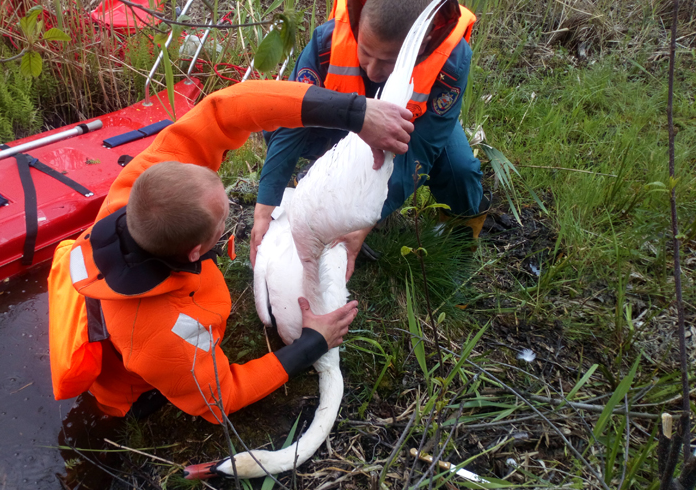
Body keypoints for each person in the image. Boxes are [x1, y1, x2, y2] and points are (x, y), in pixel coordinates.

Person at [47, 81, 415, 423]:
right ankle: (133, 405)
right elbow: (223, 396)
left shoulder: (144, 186)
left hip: (148, 295)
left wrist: (355, 112)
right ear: (195, 252)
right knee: (148, 398)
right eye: (223, 220)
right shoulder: (161, 332)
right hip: (136, 382)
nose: (229, 213)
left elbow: (227, 109)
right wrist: (311, 344)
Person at [251, 0, 486, 279]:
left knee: (459, 169)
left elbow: (421, 148)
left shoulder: (452, 60)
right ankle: (320, 184)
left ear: (422, 44)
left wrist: (365, 219)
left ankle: (458, 236)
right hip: (342, 121)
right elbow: (291, 117)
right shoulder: (328, 39)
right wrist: (266, 204)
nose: (373, 71)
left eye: (389, 61)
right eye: (365, 52)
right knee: (277, 130)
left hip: (413, 126)